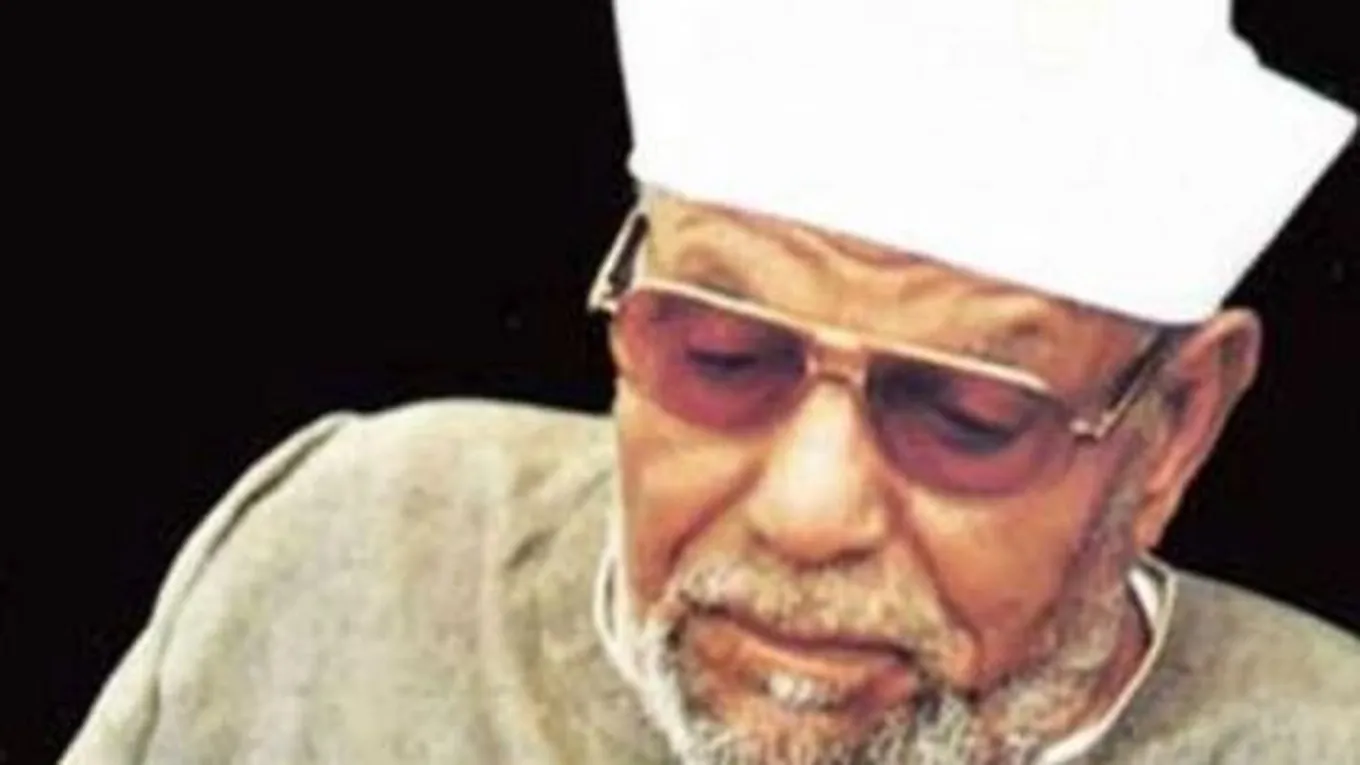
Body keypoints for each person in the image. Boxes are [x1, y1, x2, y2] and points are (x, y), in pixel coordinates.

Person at [62, 2, 1357, 764]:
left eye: (964, 415)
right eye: (725, 358)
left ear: (1174, 425)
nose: (806, 511)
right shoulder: (349, 546)